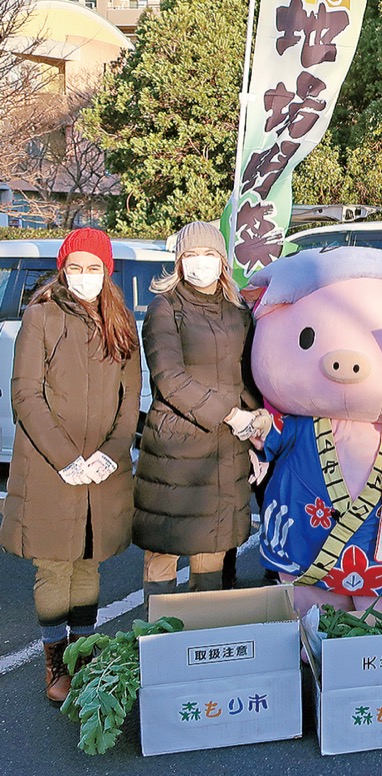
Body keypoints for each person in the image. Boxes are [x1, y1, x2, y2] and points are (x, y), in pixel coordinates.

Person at [0, 228, 141, 703]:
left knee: (88, 562)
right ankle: (55, 661)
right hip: (49, 465)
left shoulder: (119, 320)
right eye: (76, 267)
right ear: (63, 269)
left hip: (101, 465)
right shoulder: (41, 315)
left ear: (106, 271)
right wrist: (66, 459)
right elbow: (25, 393)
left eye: (94, 267)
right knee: (54, 565)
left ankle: (84, 653)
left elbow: (130, 398)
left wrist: (112, 451)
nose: (84, 276)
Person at [133, 222, 268, 598]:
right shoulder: (164, 308)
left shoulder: (237, 310)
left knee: (212, 551)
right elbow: (169, 378)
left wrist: (259, 417)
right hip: (174, 449)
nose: (199, 263)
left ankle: (202, 630)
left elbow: (245, 375)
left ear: (222, 260)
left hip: (225, 450)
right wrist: (232, 414)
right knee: (163, 550)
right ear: (179, 262)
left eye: (208, 254)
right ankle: (157, 630)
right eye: (191, 255)